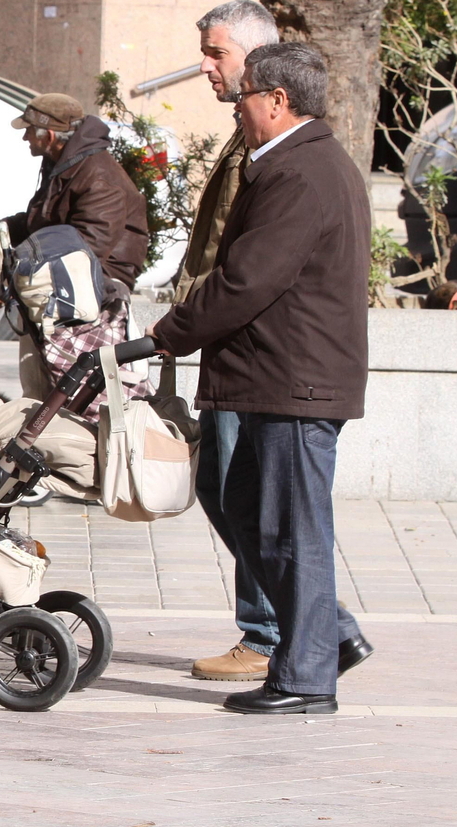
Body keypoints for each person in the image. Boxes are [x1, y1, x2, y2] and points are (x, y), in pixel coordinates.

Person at [147, 43, 375, 714]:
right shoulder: (293, 164)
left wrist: (169, 332)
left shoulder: (301, 173)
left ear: (278, 102)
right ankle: (326, 636)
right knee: (247, 508)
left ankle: (305, 676)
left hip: (294, 382)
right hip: (275, 378)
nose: (234, 106)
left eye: (243, 93)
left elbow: (249, 279)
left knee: (289, 528)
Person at [176, 0, 283, 683]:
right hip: (220, 335)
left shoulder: (274, 135)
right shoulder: (244, 129)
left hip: (247, 344)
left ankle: (272, 629)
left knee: (241, 489)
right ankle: (283, 621)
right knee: (221, 485)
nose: (206, 66)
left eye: (217, 53)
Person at [0, 93, 149, 419]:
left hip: (93, 295)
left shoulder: (97, 175)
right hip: (63, 287)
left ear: (48, 135)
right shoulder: (65, 163)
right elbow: (43, 221)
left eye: (28, 130)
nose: (24, 137)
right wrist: (1, 228)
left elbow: (89, 250)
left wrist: (23, 267)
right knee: (37, 391)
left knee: (64, 402)